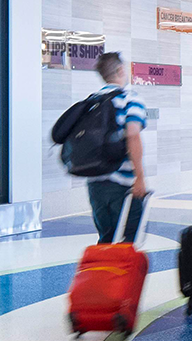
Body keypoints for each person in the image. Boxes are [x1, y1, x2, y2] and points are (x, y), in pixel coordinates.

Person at [85, 52, 148, 245]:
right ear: (120, 70)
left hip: (95, 182)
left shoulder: (91, 101)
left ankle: (104, 275)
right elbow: (133, 135)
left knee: (106, 239)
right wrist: (140, 177)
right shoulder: (130, 99)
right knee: (130, 241)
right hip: (122, 183)